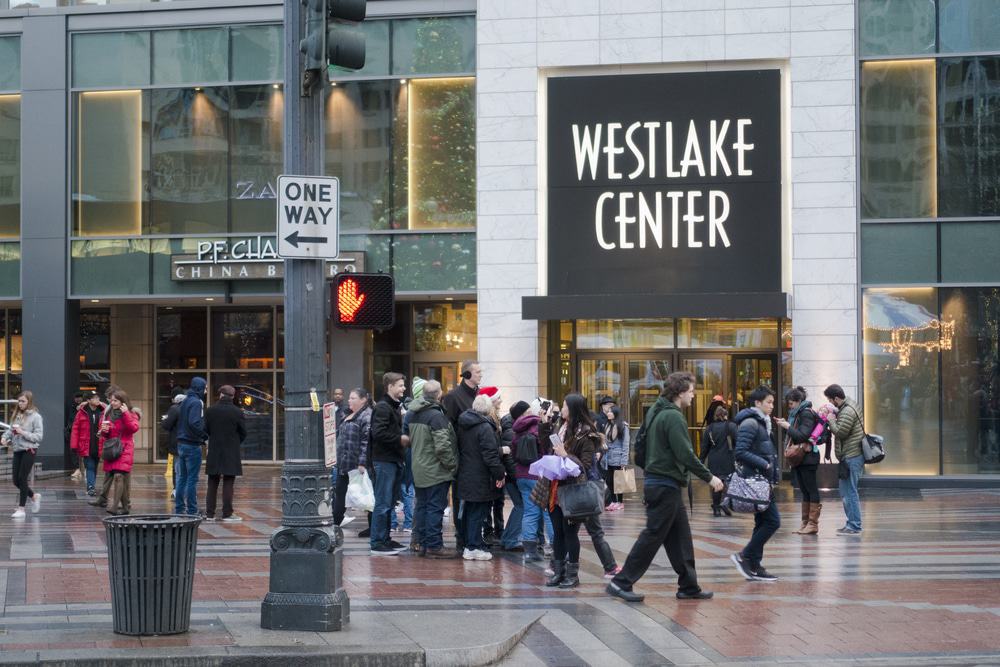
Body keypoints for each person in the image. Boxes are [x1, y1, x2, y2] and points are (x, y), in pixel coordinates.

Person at [607, 372, 725, 602]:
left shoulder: (656, 411)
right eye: (691, 391)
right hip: (664, 483)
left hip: (660, 482)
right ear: (680, 392)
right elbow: (685, 453)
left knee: (680, 536)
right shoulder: (672, 416)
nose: (693, 395)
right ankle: (621, 582)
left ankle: (689, 586)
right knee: (652, 535)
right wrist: (709, 478)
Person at [537, 393, 600, 589]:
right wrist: (544, 425)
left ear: (572, 409)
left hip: (572, 491)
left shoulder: (586, 434)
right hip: (554, 487)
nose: (560, 409)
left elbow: (586, 465)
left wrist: (567, 455)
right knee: (557, 532)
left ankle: (573, 575)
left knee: (569, 532)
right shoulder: (560, 427)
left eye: (563, 406)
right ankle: (559, 572)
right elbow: (547, 447)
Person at [730, 385, 782, 583]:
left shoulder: (763, 423)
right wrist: (765, 463)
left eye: (772, 402)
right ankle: (744, 556)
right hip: (756, 481)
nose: (772, 406)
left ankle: (754, 565)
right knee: (772, 521)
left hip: (763, 481)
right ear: (757, 403)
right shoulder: (751, 423)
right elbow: (740, 452)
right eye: (768, 402)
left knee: (762, 522)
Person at [408, 380, 459, 559]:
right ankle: (434, 546)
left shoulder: (414, 414)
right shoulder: (436, 416)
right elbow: (443, 447)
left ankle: (421, 543)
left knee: (422, 506)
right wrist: (452, 465)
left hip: (419, 467)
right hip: (435, 470)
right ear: (439, 395)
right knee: (435, 508)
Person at [456, 394, 505, 561]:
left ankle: (471, 544)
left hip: (466, 473)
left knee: (471, 511)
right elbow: (490, 455)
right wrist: (500, 473)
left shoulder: (463, 424)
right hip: (481, 476)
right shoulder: (484, 427)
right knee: (478, 512)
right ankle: (473, 546)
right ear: (488, 409)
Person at [443, 360, 482, 551]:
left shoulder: (479, 395)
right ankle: (462, 535)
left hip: (478, 456)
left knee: (477, 498)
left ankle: (475, 535)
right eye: (477, 372)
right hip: (462, 455)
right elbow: (447, 429)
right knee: (460, 497)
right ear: (466, 375)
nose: (480, 375)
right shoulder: (453, 397)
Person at [511, 400, 555, 563]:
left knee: (530, 512)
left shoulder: (517, 429)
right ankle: (556, 548)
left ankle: (529, 551)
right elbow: (547, 450)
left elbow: (514, 453)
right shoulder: (538, 428)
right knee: (548, 513)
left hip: (522, 475)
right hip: (539, 475)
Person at [370, 372, 408, 555]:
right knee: (383, 503)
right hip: (384, 461)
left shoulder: (392, 407)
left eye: (403, 385)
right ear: (390, 386)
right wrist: (399, 439)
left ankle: (385, 538)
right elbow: (378, 433)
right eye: (400, 385)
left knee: (389, 503)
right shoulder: (384, 408)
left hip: (392, 461)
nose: (403, 388)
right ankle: (377, 542)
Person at [774, 386, 821, 535]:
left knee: (811, 489)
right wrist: (785, 424)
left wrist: (787, 426)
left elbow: (802, 435)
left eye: (791, 403)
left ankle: (813, 524)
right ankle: (805, 523)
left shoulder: (806, 413)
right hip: (801, 458)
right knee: (804, 490)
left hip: (808, 457)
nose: (790, 406)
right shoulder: (797, 414)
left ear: (799, 401)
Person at [824, 384, 865, 535]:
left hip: (852, 456)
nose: (829, 402)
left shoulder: (847, 410)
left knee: (850, 492)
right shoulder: (847, 405)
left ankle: (854, 525)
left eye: (830, 399)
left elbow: (841, 432)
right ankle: (851, 523)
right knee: (846, 491)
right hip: (850, 455)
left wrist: (831, 420)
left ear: (836, 398)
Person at [204, 385, 247, 522]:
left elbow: (205, 429)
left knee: (212, 482)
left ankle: (210, 513)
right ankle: (227, 513)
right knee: (229, 481)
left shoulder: (210, 411)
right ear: (233, 397)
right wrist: (234, 442)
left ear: (220, 395)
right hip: (231, 450)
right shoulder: (237, 412)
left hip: (215, 449)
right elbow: (243, 432)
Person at [333, 388, 372, 527]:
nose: (349, 400)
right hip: (344, 464)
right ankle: (335, 522)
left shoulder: (366, 416)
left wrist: (362, 462)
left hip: (356, 465)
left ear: (363, 400)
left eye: (353, 398)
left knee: (366, 495)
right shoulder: (348, 414)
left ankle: (372, 527)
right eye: (349, 398)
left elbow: (365, 441)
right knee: (340, 494)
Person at [4, 391, 44, 519]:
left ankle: (21, 509)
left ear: (29, 402)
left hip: (29, 450)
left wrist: (23, 432)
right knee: (16, 481)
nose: (20, 403)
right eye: (19, 401)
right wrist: (4, 437)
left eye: (23, 401)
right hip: (17, 450)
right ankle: (34, 496)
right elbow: (10, 430)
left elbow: (38, 437)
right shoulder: (17, 415)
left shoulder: (36, 417)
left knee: (22, 478)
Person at [98, 389, 139, 516]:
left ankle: (115, 506)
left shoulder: (132, 413)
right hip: (113, 449)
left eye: (115, 400)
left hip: (125, 448)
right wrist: (104, 431)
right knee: (118, 477)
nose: (112, 402)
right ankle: (125, 507)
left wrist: (126, 413)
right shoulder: (111, 413)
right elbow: (109, 433)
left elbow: (133, 428)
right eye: (112, 400)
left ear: (123, 401)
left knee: (119, 476)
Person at [498, 400, 529, 552]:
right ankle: (510, 539)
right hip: (514, 477)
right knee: (521, 507)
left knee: (519, 507)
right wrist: (517, 477)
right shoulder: (511, 432)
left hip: (513, 476)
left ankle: (507, 538)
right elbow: (510, 459)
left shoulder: (511, 429)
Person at [175, 377, 208, 516]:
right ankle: (192, 510)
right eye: (205, 388)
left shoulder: (186, 400)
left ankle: (179, 508)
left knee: (182, 478)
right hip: (192, 445)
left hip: (181, 444)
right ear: (199, 388)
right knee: (192, 479)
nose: (206, 391)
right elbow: (194, 422)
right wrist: (204, 436)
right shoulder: (196, 403)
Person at [700, 404, 737, 517]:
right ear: (725, 415)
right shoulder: (731, 426)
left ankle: (716, 508)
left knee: (716, 483)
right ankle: (725, 503)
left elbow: (705, 447)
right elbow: (738, 441)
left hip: (714, 459)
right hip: (727, 458)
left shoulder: (709, 428)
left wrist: (700, 460)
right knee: (728, 483)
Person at [70, 390, 104, 496]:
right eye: (94, 398)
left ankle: (91, 485)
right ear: (88, 400)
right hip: (86, 445)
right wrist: (74, 445)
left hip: (98, 444)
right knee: (89, 466)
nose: (97, 400)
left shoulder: (102, 411)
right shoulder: (82, 412)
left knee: (95, 466)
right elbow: (75, 429)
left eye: (98, 398)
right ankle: (90, 487)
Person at [602, 403, 630, 511]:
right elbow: (606, 441)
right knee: (609, 480)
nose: (608, 413)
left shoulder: (623, 426)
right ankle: (613, 501)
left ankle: (620, 502)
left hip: (618, 457)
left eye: (610, 412)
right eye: (608, 411)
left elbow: (626, 444)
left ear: (615, 414)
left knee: (619, 481)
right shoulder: (608, 425)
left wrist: (624, 460)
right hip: (608, 457)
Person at [161, 388, 185, 498]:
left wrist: (165, 419)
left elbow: (166, 425)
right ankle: (186, 490)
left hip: (177, 442)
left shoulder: (174, 409)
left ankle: (177, 490)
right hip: (190, 442)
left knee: (177, 468)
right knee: (187, 468)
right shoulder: (191, 408)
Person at [67, 392, 85, 482]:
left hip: (83, 433)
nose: (78, 399)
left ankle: (83, 469)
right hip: (74, 433)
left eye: (79, 397)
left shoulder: (85, 408)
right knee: (73, 450)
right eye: (76, 397)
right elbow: (70, 419)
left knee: (84, 451)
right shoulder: (72, 407)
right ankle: (77, 469)